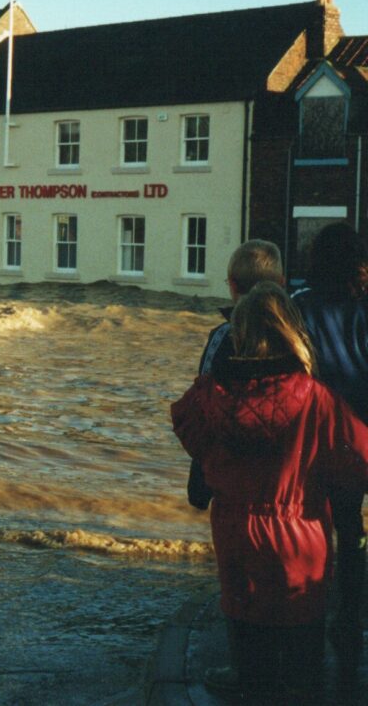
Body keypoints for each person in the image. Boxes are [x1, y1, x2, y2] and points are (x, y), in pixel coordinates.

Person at [171, 281, 368, 697]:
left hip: (235, 531)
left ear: (238, 334)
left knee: (244, 619)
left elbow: (191, 434)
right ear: (292, 332)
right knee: (304, 652)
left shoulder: (209, 397)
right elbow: (356, 459)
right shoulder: (317, 399)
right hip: (301, 535)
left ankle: (245, 677)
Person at [292, 222, 368, 659]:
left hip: (321, 434)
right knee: (353, 529)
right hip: (364, 433)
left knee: (321, 525)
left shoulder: (300, 305)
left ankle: (314, 614)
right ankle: (350, 621)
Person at [188, 240, 284, 510]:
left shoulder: (221, 337)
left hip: (232, 488)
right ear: (282, 282)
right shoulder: (296, 336)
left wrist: (198, 487)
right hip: (287, 486)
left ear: (231, 284)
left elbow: (204, 408)